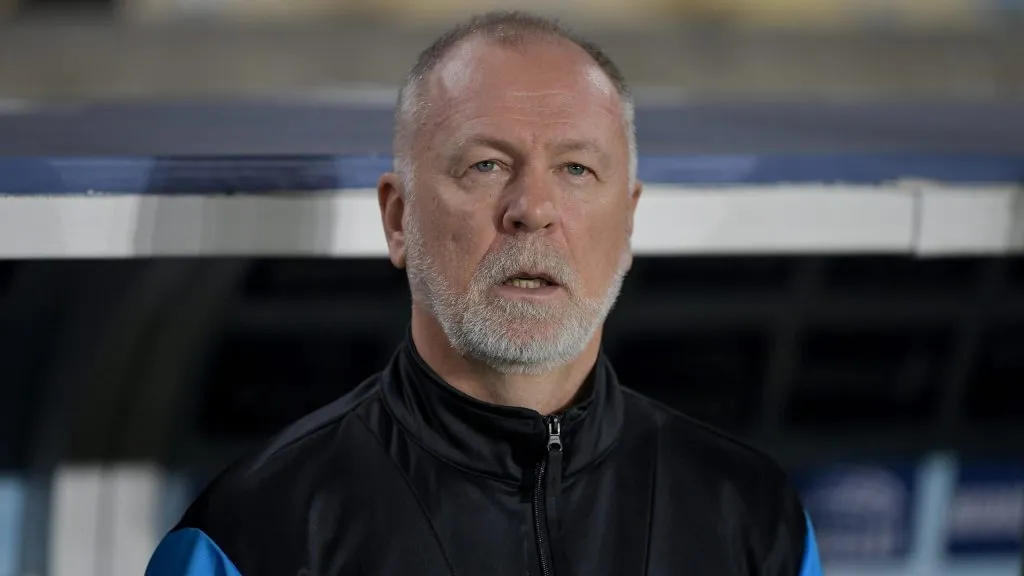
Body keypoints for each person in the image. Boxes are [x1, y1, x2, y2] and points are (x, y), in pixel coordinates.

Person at [146, 10, 823, 576]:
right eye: (486, 165)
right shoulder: (252, 537)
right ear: (398, 218)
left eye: (577, 168)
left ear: (628, 222)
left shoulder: (754, 519)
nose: (533, 208)